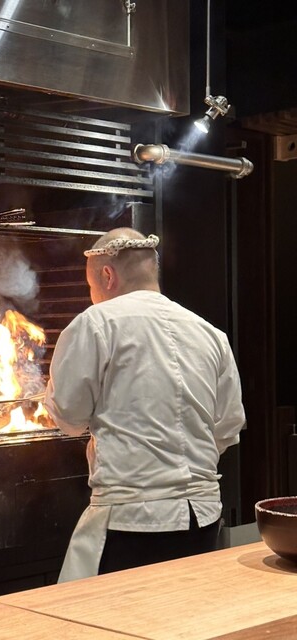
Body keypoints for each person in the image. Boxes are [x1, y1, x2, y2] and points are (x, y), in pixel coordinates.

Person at [44, 227, 246, 582]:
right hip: (202, 518)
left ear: (107, 276)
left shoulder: (95, 323)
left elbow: (69, 417)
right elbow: (228, 426)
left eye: (90, 286)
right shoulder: (210, 333)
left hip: (132, 522)